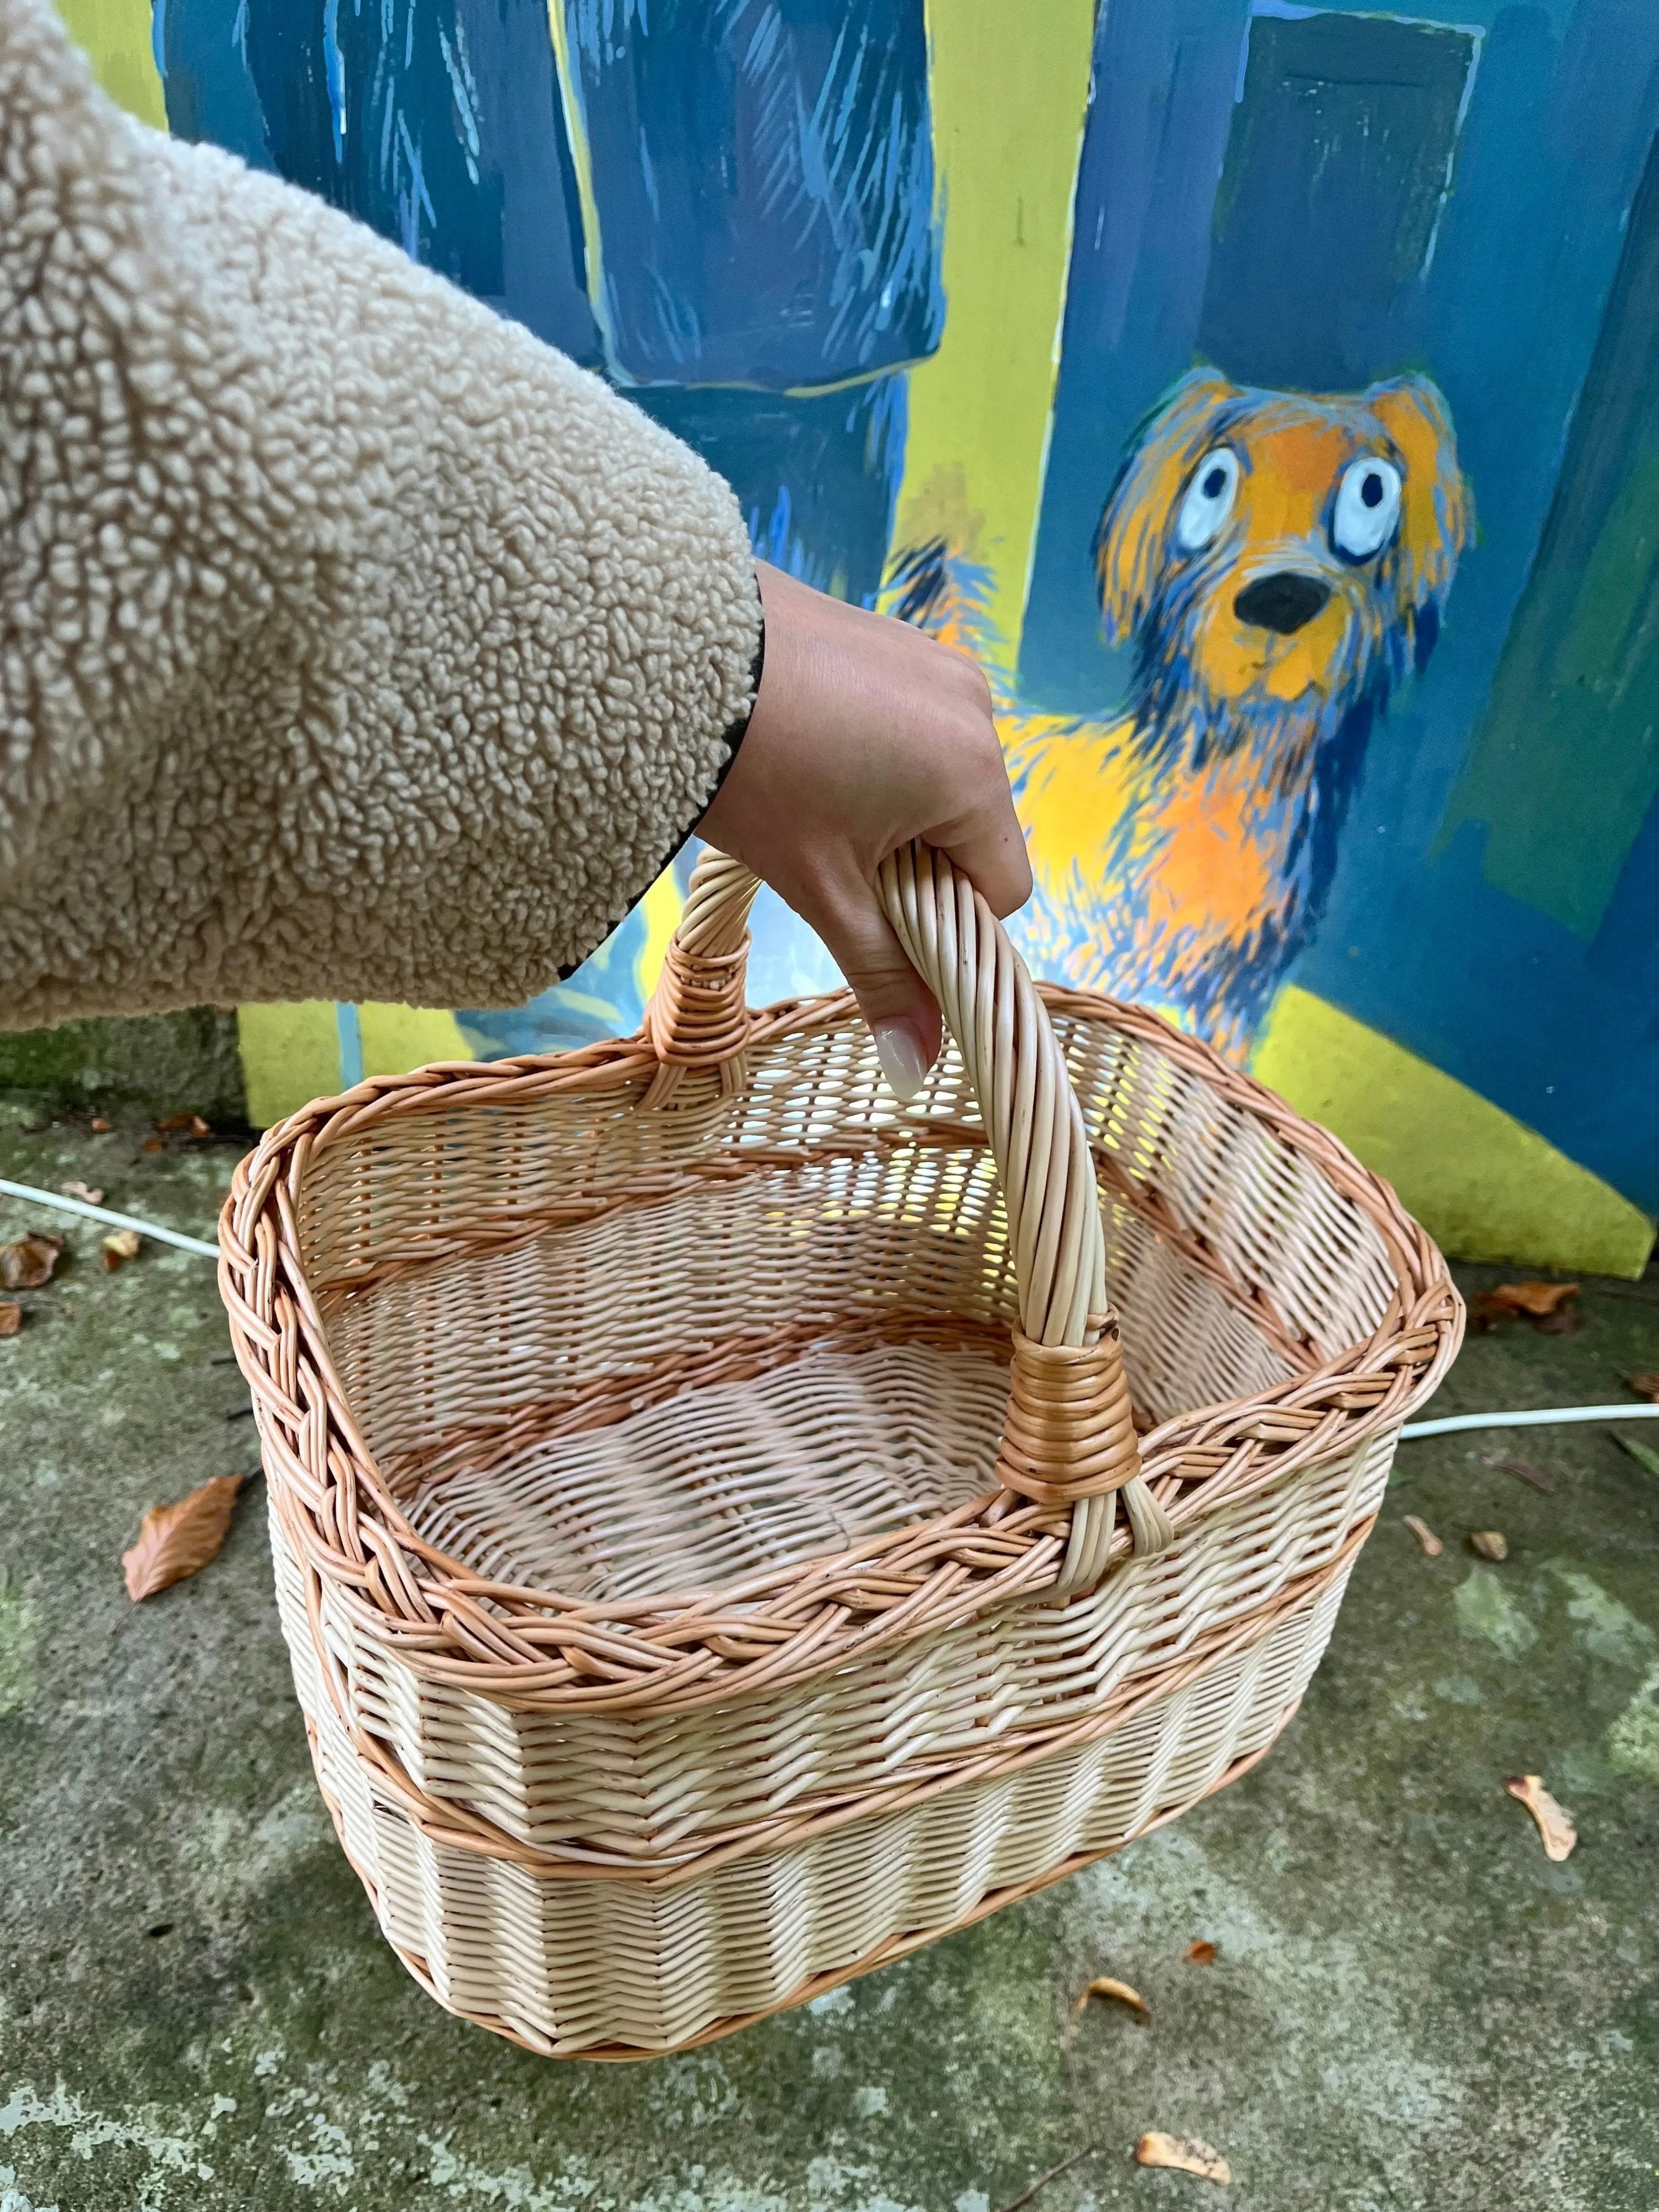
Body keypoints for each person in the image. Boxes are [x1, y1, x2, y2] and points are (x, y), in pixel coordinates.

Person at [0, 0, 1029, 1101]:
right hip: (400, 166)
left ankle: (606, 1146)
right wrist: (695, 657)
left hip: (782, 213)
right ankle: (573, 1139)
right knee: (551, 994)